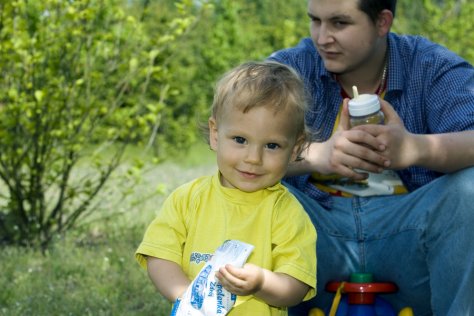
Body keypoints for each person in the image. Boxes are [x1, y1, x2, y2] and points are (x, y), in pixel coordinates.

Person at [268, 0, 474, 315]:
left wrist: (414, 149)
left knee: (469, 188)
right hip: (312, 244)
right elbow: (237, 148)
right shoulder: (288, 69)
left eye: (339, 23)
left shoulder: (431, 66)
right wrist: (316, 155)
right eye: (315, 21)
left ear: (382, 22)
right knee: (245, 188)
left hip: (412, 241)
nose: (323, 38)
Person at [135, 61, 317, 315]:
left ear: (295, 149)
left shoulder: (287, 213)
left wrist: (262, 282)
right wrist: (187, 296)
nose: (253, 158)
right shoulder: (187, 200)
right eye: (240, 140)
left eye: (272, 145)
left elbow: (295, 285)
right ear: (215, 134)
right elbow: (160, 255)